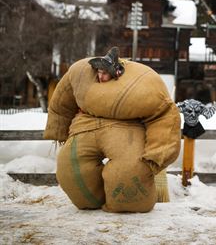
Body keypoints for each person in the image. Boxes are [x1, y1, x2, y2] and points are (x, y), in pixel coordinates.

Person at [43, 47, 181, 213]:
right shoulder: (79, 73)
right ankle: (92, 199)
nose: (100, 76)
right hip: (86, 126)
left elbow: (164, 115)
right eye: (98, 72)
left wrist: (158, 154)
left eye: (104, 73)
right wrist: (59, 128)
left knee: (128, 171)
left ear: (116, 72)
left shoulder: (144, 84)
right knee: (69, 168)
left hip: (126, 128)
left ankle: (124, 203)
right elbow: (62, 101)